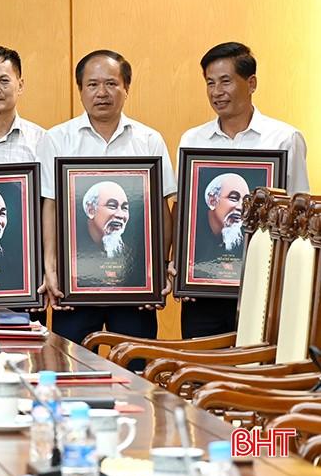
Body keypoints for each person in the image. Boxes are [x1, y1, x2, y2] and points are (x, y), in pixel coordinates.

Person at [39, 49, 176, 346]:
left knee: (135, 365)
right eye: (92, 84)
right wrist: (50, 267)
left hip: (134, 286)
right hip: (74, 284)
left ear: (126, 88)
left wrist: (158, 268)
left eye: (111, 83)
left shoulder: (148, 139)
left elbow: (162, 208)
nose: (102, 92)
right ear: (80, 89)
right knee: (70, 364)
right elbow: (50, 205)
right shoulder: (57, 139)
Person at [178, 42, 310, 337]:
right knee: (200, 362)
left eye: (225, 81)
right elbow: (187, 212)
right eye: (210, 83)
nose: (216, 92)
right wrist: (181, 268)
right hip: (203, 289)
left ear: (251, 83)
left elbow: (300, 215)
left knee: (258, 362)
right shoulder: (193, 140)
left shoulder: (284, 138)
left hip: (264, 287)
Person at [72, 180, 148, 288]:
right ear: (91, 210)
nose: (120, 215)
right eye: (112, 206)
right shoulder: (73, 251)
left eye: (124, 208)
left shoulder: (133, 256)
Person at [191, 172, 249, 283]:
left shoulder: (249, 241)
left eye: (246, 201)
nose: (241, 207)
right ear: (212, 201)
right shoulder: (192, 239)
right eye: (233, 198)